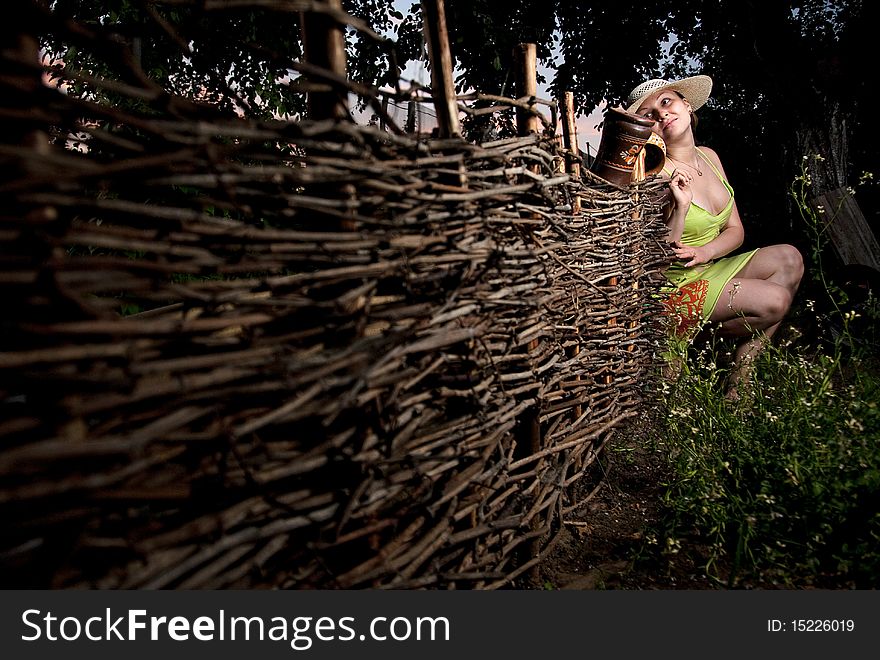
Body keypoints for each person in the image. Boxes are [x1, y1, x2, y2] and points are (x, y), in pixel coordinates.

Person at [625, 74, 804, 399]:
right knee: (775, 301)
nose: (662, 114)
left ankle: (740, 379)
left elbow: (735, 231)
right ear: (647, 129)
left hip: (706, 269)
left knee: (789, 258)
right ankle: (700, 340)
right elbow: (656, 260)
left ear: (687, 105)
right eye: (650, 114)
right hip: (674, 287)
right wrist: (680, 208)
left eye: (666, 102)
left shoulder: (709, 156)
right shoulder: (654, 173)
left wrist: (706, 252)